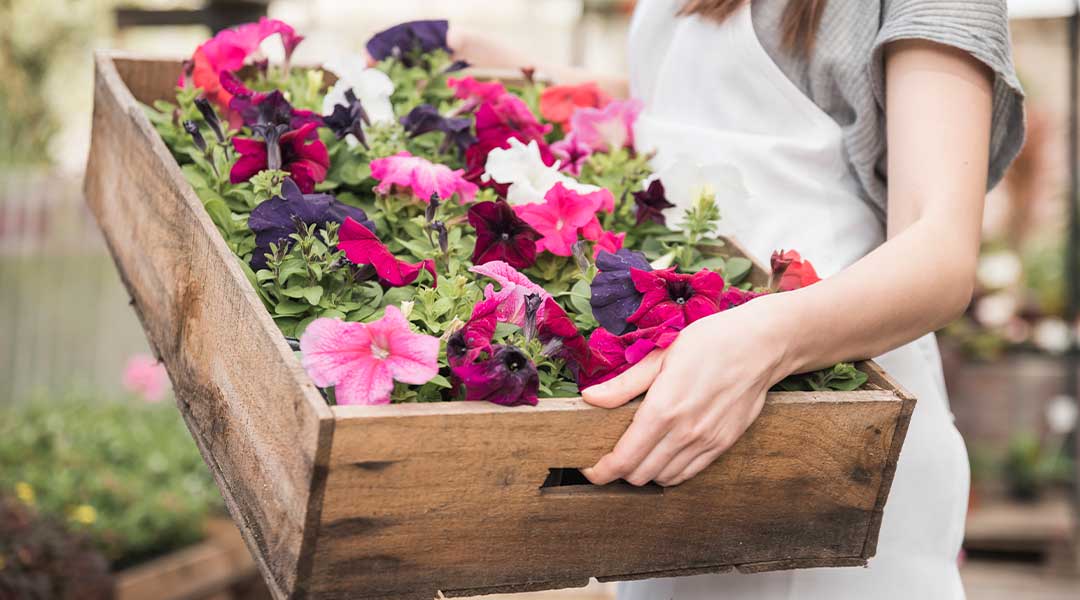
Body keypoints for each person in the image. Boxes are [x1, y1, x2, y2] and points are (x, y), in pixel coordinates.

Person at [451, 0, 1024, 597]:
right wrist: (513, 71)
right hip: (687, 404)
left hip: (828, 418)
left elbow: (939, 253)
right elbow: (685, 106)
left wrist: (759, 340)